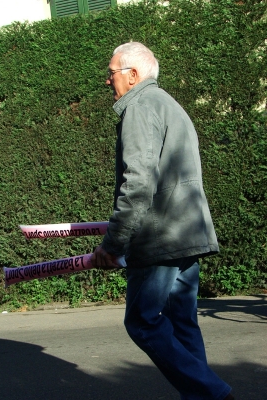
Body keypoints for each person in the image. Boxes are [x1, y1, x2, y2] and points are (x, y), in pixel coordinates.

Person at [90, 42, 234, 400]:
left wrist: (113, 244)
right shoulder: (169, 104)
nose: (108, 81)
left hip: (160, 238)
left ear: (133, 75)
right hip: (189, 232)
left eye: (111, 74)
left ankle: (215, 395)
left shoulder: (139, 107)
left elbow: (137, 183)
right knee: (182, 326)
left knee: (142, 321)